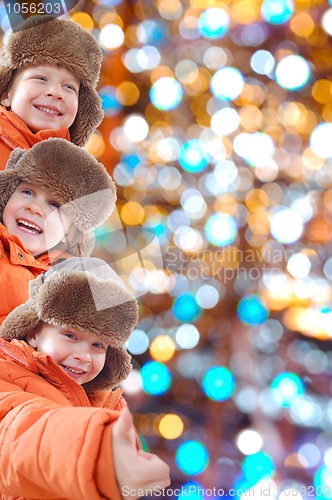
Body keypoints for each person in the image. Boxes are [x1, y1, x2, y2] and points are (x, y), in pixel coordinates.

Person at [0, 257, 171, 499]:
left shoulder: (106, 405)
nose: (84, 356)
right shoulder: (7, 377)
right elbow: (19, 433)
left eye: (97, 344)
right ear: (33, 332)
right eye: (70, 335)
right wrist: (99, 448)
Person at [0, 137, 116, 324]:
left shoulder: (62, 285)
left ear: (70, 233)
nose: (34, 208)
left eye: (55, 205)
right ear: (6, 196)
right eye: (27, 192)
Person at [0, 14, 104, 168]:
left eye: (69, 87)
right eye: (40, 78)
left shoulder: (71, 170)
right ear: (5, 94)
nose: (56, 93)